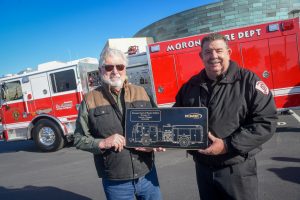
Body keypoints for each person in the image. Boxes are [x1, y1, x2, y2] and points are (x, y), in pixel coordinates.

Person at [174, 33, 277, 200]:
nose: (213, 56)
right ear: (201, 56)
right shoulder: (190, 86)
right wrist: (156, 139)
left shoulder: (248, 81)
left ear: (228, 52)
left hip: (236, 170)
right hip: (203, 169)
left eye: (219, 50)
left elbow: (266, 121)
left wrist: (227, 145)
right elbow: (175, 118)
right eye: (208, 52)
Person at [73, 48, 163, 200]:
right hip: (116, 183)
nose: (115, 71)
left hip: (148, 175)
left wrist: (156, 143)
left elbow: (159, 126)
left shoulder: (141, 92)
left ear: (125, 68)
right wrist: (103, 143)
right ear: (101, 70)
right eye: (109, 67)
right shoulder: (89, 100)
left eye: (119, 66)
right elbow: (78, 138)